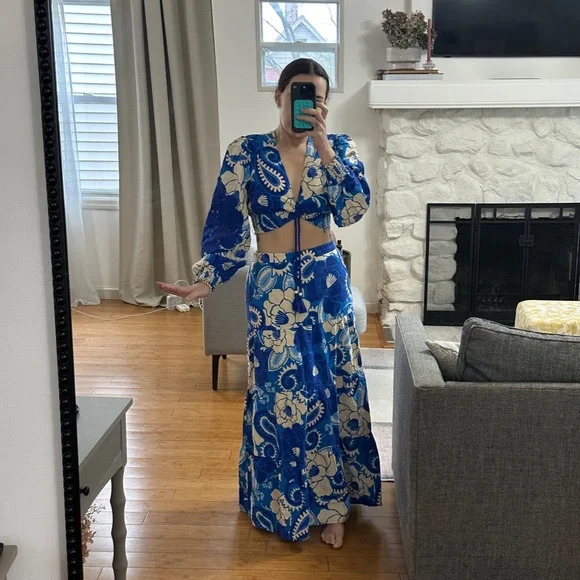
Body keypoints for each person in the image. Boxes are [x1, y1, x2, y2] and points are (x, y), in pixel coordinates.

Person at [158, 58, 381, 548]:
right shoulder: (245, 152)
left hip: (326, 282)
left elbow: (354, 208)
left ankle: (333, 506)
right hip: (271, 287)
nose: (308, 103)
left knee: (330, 388)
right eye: (300, 93)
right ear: (279, 95)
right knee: (280, 396)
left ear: (325, 105)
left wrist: (324, 146)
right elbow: (225, 224)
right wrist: (207, 281)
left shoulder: (340, 148)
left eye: (318, 97)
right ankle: (283, 502)